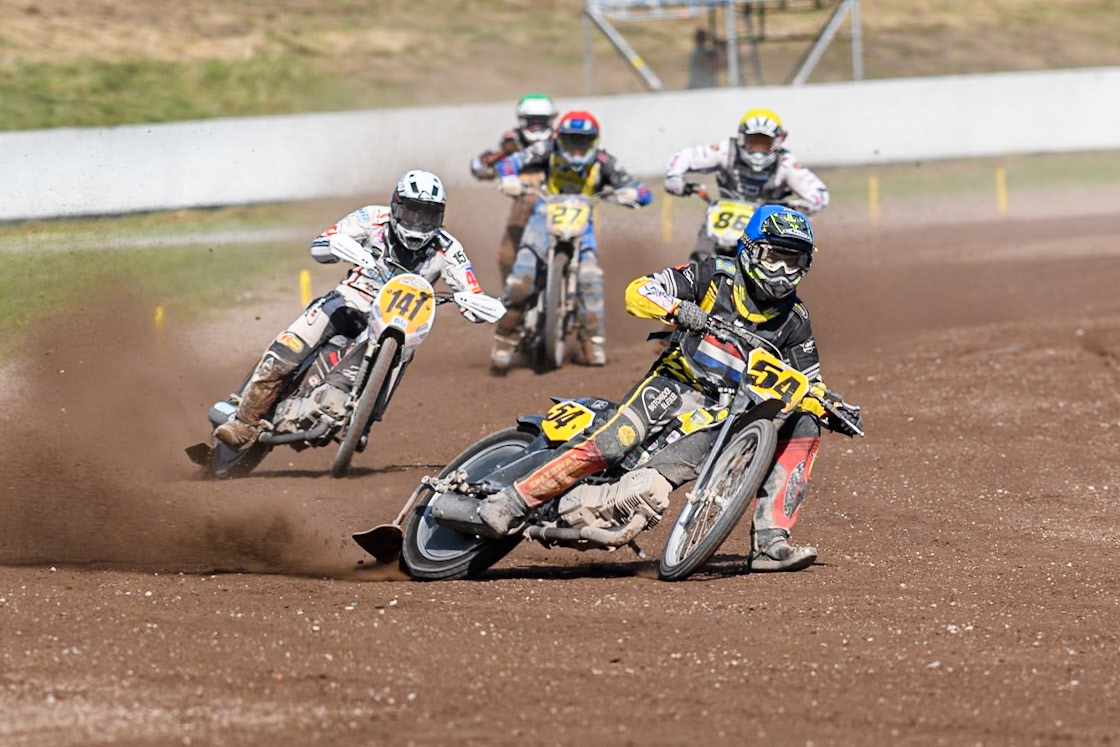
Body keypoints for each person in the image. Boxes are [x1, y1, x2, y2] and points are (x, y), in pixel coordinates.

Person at [476, 204, 862, 572]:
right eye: (774, 257)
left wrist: (831, 404)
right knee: (614, 441)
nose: (782, 271)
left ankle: (770, 541)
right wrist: (680, 310)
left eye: (793, 262)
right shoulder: (715, 276)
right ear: (750, 250)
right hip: (673, 384)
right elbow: (638, 291)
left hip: (719, 417)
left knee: (805, 424)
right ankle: (514, 501)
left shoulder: (795, 319)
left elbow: (809, 382)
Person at [214, 169, 496, 450]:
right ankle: (244, 422)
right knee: (288, 347)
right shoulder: (372, 218)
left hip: (399, 321)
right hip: (348, 301)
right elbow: (321, 245)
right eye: (412, 213)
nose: (418, 223)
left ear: (440, 218)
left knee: (404, 352)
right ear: (397, 206)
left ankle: (364, 418)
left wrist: (475, 304)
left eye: (428, 215)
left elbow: (472, 292)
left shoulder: (448, 249)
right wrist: (340, 248)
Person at [489, 109, 652, 371]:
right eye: (571, 141)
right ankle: (505, 338)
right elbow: (509, 163)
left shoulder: (603, 161)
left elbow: (642, 191)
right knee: (521, 278)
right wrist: (509, 179)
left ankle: (592, 341)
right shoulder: (546, 149)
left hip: (582, 222)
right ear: (560, 139)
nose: (576, 149)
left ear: (593, 142)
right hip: (542, 216)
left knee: (590, 276)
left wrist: (630, 195)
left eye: (582, 142)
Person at [664, 108, 830, 261]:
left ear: (777, 141)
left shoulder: (785, 163)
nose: (758, 149)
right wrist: (674, 177)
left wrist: (794, 206)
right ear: (742, 138)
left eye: (765, 143)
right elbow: (686, 155)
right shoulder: (727, 150)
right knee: (700, 261)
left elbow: (819, 195)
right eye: (753, 141)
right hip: (719, 222)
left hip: (766, 227)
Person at [470, 93, 557, 279]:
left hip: (562, 201)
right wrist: (488, 166)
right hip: (527, 201)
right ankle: (513, 294)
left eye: (542, 121)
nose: (537, 127)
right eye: (532, 121)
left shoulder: (560, 141)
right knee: (508, 251)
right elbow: (483, 163)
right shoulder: (512, 141)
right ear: (522, 121)